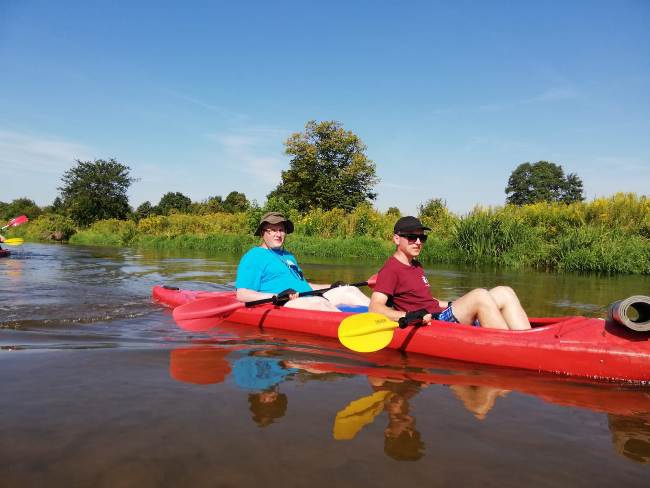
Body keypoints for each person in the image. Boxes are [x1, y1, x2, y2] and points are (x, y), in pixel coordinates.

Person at [369, 216, 531, 330]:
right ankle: (508, 346)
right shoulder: (391, 269)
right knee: (480, 295)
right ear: (397, 239)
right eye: (412, 237)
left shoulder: (416, 265)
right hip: (434, 321)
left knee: (505, 292)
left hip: (439, 312)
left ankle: (528, 340)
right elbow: (375, 308)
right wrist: (409, 316)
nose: (418, 242)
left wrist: (454, 303)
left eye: (421, 237)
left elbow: (426, 300)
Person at [235, 211, 370, 311]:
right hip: (282, 303)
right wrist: (277, 295)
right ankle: (352, 325)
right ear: (262, 233)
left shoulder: (288, 256)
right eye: (273, 230)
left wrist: (332, 286)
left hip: (307, 297)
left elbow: (305, 285)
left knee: (349, 290)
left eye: (281, 230)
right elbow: (242, 294)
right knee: (319, 303)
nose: (278, 234)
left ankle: (382, 315)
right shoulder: (253, 256)